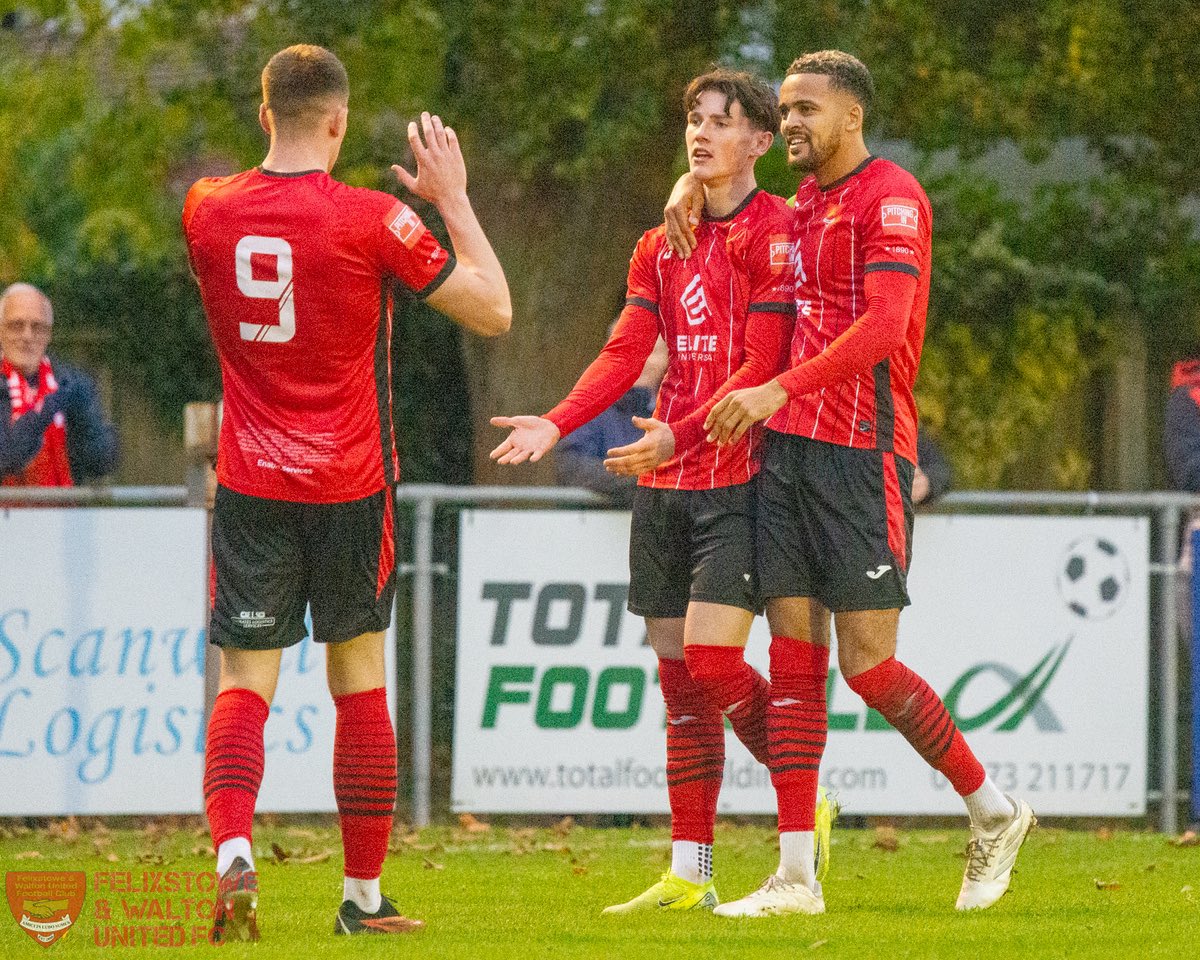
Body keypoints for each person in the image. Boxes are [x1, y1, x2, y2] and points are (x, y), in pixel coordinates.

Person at [664, 50, 1034, 916]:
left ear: (852, 117)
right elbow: (730, 222)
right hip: (786, 455)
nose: (790, 121)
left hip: (861, 455)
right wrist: (684, 190)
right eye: (784, 109)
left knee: (870, 668)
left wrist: (777, 386)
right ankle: (795, 877)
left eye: (805, 109)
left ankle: (992, 810)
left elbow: (885, 327)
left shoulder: (890, 197)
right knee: (793, 668)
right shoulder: (802, 205)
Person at [183, 44, 510, 940]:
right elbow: (495, 309)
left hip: (250, 481)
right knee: (358, 678)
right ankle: (363, 898)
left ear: (263, 116)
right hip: (349, 483)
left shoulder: (205, 209)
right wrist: (451, 198)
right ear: (338, 121)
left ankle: (231, 850)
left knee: (243, 680)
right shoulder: (373, 220)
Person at [491, 67, 835, 915]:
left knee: (716, 661)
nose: (702, 133)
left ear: (760, 141)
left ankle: (803, 800)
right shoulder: (661, 241)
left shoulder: (776, 233)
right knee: (679, 682)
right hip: (666, 477)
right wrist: (556, 422)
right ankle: (693, 870)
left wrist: (680, 434)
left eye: (723, 121)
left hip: (743, 477)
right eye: (694, 119)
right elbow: (622, 352)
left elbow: (764, 364)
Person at [0, 283, 118, 486]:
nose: (27, 336)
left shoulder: (72, 383)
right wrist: (46, 410)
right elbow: (6, 457)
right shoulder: (59, 395)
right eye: (16, 326)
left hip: (63, 513)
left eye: (37, 327)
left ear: (49, 334)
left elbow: (102, 462)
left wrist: (83, 424)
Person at [554, 332, 667, 506]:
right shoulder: (589, 407)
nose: (643, 359)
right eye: (630, 348)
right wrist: (646, 481)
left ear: (669, 358)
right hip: (594, 525)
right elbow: (570, 466)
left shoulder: (680, 410)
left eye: (653, 351)